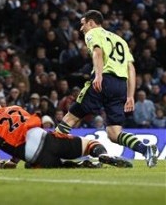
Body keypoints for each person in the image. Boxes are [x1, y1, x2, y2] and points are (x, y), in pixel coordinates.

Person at [55, 10, 158, 168]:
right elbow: (131, 68)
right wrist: (130, 95)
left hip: (103, 80)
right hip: (120, 86)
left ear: (91, 22)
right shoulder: (120, 40)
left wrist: (98, 75)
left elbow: (97, 53)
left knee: (71, 117)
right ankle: (145, 149)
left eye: (83, 24)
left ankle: (50, 153)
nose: (81, 28)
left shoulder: (93, 33)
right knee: (114, 133)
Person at [0, 98, 133, 169]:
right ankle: (101, 155)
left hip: (35, 156)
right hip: (48, 138)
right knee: (89, 144)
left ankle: (78, 165)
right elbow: (23, 132)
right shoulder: (14, 109)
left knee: (33, 165)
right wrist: (14, 161)